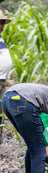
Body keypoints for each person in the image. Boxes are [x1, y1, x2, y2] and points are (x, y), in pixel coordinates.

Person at [0, 10, 12, 144]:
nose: (1, 26)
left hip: (2, 80)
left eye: (2, 23)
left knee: (1, 112)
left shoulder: (1, 38)